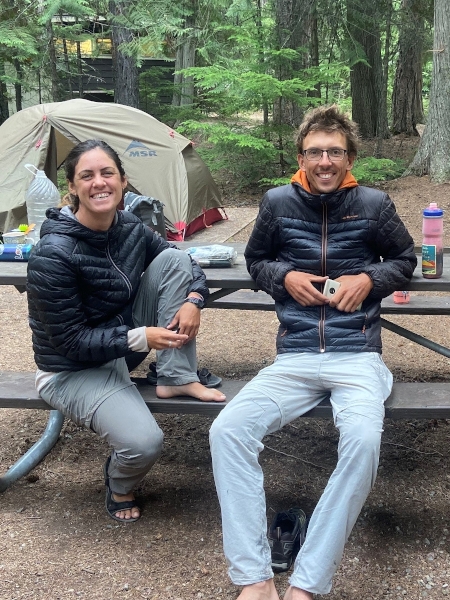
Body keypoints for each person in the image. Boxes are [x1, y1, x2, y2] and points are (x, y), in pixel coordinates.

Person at [209, 105, 417, 599]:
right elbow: (256, 259)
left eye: (335, 152)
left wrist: (369, 278)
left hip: (357, 355)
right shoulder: (277, 202)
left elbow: (406, 260)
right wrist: (284, 275)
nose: (325, 161)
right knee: (227, 431)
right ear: (301, 156)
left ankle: (307, 583)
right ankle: (254, 579)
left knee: (363, 443)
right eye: (316, 152)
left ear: (350, 158)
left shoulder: (374, 203)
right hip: (296, 357)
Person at [27, 139, 225, 524]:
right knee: (144, 444)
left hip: (121, 345)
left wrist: (194, 299)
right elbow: (68, 341)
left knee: (171, 259)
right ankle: (119, 483)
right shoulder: (53, 254)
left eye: (107, 173)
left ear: (123, 181)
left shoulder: (130, 227)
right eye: (87, 175)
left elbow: (182, 263)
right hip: (72, 370)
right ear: (72, 187)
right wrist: (141, 338)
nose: (99, 183)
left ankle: (176, 376)